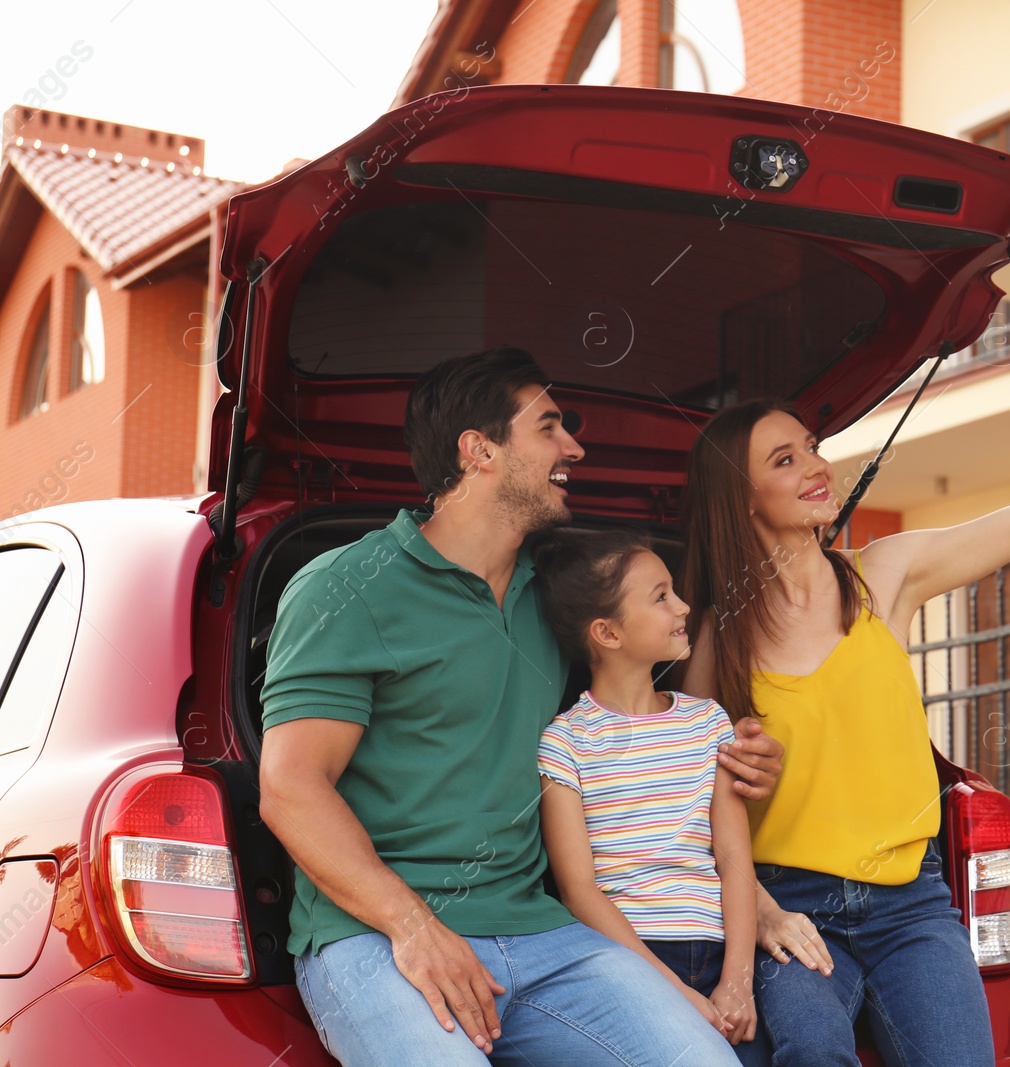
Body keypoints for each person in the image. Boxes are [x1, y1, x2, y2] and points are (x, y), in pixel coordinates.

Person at [258, 346, 783, 1067]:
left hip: (542, 931)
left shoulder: (556, 598)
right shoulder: (348, 588)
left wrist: (741, 748)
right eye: (549, 427)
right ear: (478, 450)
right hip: (376, 937)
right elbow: (290, 788)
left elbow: (641, 709)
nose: (575, 446)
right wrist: (414, 927)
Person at [678, 343, 1010, 1066]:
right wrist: (759, 910)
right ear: (740, 495)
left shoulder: (883, 575)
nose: (817, 466)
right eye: (784, 460)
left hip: (909, 904)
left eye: (812, 448)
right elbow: (682, 799)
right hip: (790, 906)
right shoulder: (715, 636)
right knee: (810, 1047)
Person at [534, 528, 769, 1066]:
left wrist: (737, 981)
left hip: (722, 953)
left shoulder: (708, 721)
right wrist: (672, 993)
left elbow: (734, 859)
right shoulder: (565, 742)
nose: (683, 606)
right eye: (661, 596)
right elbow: (582, 892)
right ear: (608, 633)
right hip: (631, 963)